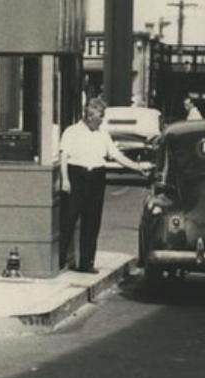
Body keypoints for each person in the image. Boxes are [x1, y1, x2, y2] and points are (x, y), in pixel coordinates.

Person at [59, 98, 151, 273]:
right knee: (69, 219)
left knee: (92, 221)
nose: (102, 119)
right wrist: (65, 179)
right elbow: (64, 156)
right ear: (90, 115)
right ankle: (60, 259)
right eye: (100, 115)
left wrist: (138, 168)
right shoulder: (71, 132)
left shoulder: (103, 133)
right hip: (77, 174)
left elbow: (116, 155)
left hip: (97, 177)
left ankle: (86, 263)